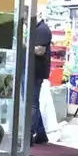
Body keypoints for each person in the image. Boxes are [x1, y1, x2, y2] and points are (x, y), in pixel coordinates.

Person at [29, 17, 53, 146]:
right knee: (32, 103)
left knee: (32, 104)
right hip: (32, 71)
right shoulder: (37, 29)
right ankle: (41, 133)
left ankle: (30, 133)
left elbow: (40, 50)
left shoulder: (42, 30)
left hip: (36, 72)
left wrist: (25, 46)